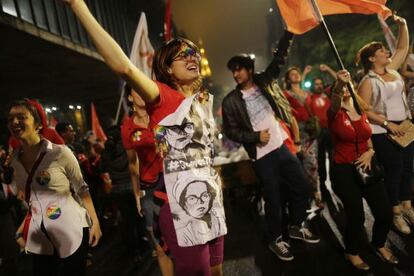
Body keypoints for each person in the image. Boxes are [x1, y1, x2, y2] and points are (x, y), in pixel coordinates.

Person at [63, 1, 227, 275]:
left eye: (194, 53)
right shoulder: (162, 97)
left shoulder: (201, 101)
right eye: (182, 55)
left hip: (211, 201)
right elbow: (124, 67)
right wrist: (78, 5)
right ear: (167, 68)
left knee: (217, 270)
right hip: (180, 207)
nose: (192, 58)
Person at [222, 31, 319, 262]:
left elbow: (279, 60)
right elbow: (230, 131)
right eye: (233, 70)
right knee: (273, 201)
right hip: (262, 156)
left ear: (249, 69)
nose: (236, 73)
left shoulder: (264, 81)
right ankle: (275, 239)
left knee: (303, 187)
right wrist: (255, 136)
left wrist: (288, 33)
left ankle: (296, 225)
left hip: (281, 148)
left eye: (239, 68)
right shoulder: (231, 101)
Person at [8, 99, 102, 276]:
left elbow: (82, 188)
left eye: (21, 117)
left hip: (71, 230)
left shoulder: (60, 152)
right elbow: (30, 199)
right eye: (10, 118)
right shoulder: (13, 162)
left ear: (37, 124)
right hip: (40, 236)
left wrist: (95, 222)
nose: (14, 122)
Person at [329, 70, 397, 270]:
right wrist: (339, 85)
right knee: (356, 217)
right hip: (344, 170)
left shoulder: (361, 108)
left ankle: (379, 243)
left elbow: (367, 136)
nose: (345, 91)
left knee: (384, 213)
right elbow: (334, 102)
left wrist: (371, 151)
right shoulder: (334, 112)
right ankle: (352, 252)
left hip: (367, 166)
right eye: (341, 88)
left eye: (348, 87)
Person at [357, 14, 414, 235]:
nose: (386, 53)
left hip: (405, 127)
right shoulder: (367, 81)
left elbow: (402, 48)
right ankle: (396, 213)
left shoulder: (392, 71)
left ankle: (408, 207)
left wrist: (403, 25)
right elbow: (365, 110)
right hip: (383, 131)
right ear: (372, 58)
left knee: (408, 168)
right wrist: (388, 123)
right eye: (381, 51)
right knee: (394, 170)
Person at [120, 85, 173, 275]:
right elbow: (132, 164)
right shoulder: (127, 127)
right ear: (130, 98)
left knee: (184, 238)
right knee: (159, 244)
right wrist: (137, 194)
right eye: (137, 90)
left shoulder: (161, 115)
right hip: (149, 188)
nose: (142, 92)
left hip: (174, 181)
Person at [284, 67, 321, 206]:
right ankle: (306, 195)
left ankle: (315, 192)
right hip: (297, 133)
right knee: (301, 165)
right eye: (292, 74)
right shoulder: (285, 95)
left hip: (311, 132)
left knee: (313, 164)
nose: (296, 75)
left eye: (297, 73)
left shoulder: (307, 93)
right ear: (288, 80)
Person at [310, 76, 332, 195]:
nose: (319, 86)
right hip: (318, 132)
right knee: (321, 159)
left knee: (334, 156)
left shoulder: (327, 95)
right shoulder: (310, 97)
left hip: (330, 130)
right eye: (316, 84)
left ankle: (335, 179)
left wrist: (328, 70)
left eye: (320, 83)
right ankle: (322, 183)